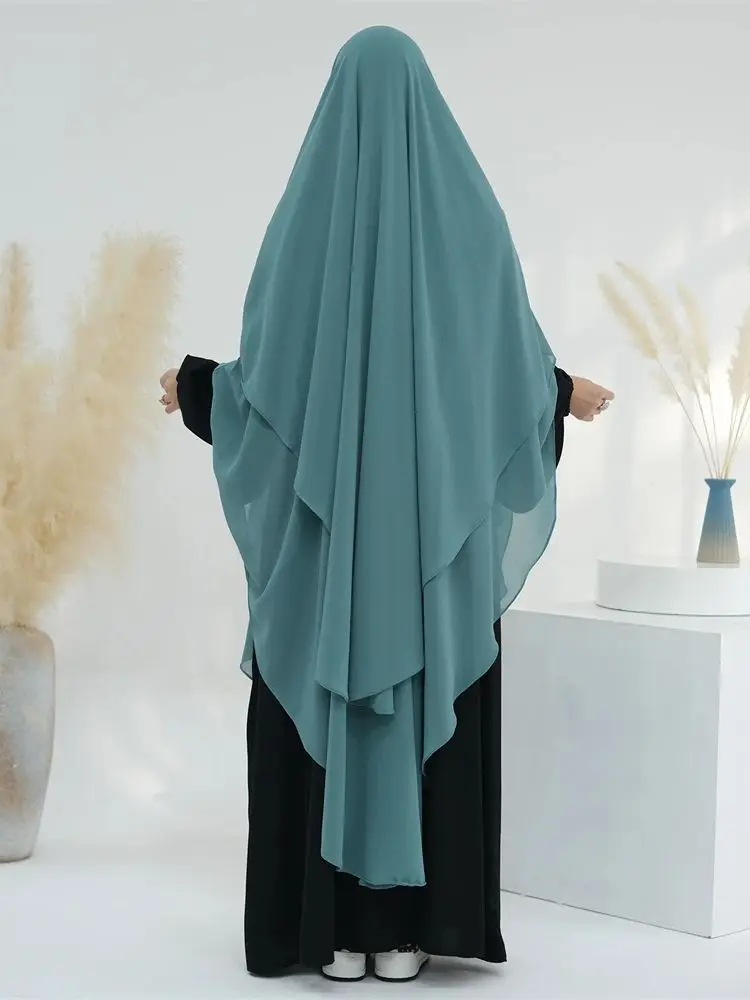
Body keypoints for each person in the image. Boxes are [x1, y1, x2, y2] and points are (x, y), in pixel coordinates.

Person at [159, 26, 614, 983]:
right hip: (428, 568)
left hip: (328, 569)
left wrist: (196, 388)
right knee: (427, 692)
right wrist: (560, 392)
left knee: (321, 693)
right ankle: (410, 932)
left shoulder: (303, 223)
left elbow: (264, 392)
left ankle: (327, 932)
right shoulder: (471, 221)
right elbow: (501, 371)